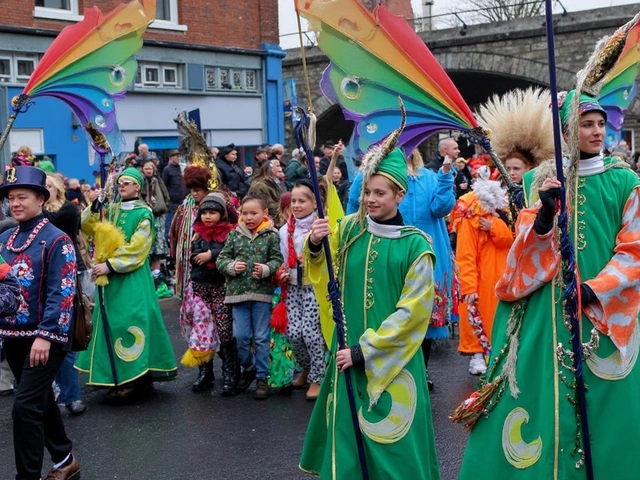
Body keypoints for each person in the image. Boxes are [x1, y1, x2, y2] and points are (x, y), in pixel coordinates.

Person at [458, 87, 640, 478]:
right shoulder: (539, 183)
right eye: (584, 125)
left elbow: (634, 249)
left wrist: (593, 290)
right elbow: (523, 259)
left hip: (605, 315)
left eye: (599, 124)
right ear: (567, 132)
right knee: (540, 399)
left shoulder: (625, 181)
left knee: (607, 408)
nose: (595, 132)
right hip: (547, 315)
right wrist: (543, 218)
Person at [299, 137, 439, 478]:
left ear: (399, 196)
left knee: (395, 448)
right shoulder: (347, 230)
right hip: (346, 354)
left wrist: (365, 351)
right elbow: (319, 266)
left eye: (380, 193)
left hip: (392, 359)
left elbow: (413, 312)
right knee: (349, 444)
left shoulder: (416, 245)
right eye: (367, 192)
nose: (370, 199)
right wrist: (316, 242)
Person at [347, 148, 455, 389]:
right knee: (381, 308)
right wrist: (366, 172)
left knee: (420, 313)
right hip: (381, 247)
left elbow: (441, 207)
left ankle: (419, 368)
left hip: (423, 247)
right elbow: (355, 204)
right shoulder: (371, 177)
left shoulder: (427, 176)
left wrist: (446, 175)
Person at [0, 166, 80, 480]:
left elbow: (63, 292)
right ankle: (65, 459)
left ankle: (27, 476)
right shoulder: (5, 238)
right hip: (13, 336)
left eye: (22, 197)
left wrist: (46, 335)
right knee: (40, 402)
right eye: (11, 198)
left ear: (41, 199)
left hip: (46, 338)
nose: (15, 203)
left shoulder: (56, 239)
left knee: (24, 407)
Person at [75, 167, 178, 402]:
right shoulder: (109, 209)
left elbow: (138, 249)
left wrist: (110, 264)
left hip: (131, 278)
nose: (122, 186)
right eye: (120, 182)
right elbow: (87, 227)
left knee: (131, 321)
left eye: (128, 182)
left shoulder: (144, 213)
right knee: (111, 323)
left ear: (138, 187)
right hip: (109, 280)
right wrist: (95, 205)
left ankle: (135, 378)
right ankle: (116, 376)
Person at [217, 194, 283, 400]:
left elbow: (277, 259)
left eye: (254, 213)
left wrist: (266, 269)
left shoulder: (271, 235)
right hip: (237, 295)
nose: (249, 217)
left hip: (261, 295)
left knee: (262, 338)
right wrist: (231, 267)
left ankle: (262, 377)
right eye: (244, 213)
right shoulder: (234, 235)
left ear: (265, 213)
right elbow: (222, 259)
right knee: (241, 337)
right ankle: (250, 367)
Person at [450, 166, 513, 375]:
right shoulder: (470, 217)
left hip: (500, 276)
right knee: (477, 314)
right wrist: (468, 286)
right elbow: (465, 255)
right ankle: (477, 354)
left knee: (497, 318)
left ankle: (495, 353)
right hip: (481, 278)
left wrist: (494, 226)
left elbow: (509, 239)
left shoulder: (501, 216)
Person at [179, 193, 236, 395]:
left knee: (224, 328)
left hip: (220, 287)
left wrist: (211, 254)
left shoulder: (230, 233)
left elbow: (230, 251)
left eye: (213, 213)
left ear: (221, 214)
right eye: (205, 213)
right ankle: (205, 371)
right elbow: (193, 256)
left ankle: (230, 372)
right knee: (203, 328)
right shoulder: (197, 233)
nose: (208, 217)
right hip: (200, 287)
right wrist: (202, 255)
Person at [278, 180, 327, 400]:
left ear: (315, 203)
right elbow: (281, 260)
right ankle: (306, 367)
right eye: (294, 201)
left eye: (302, 200)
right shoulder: (284, 231)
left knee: (311, 333)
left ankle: (318, 376)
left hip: (314, 288)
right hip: (293, 289)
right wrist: (281, 273)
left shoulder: (320, 227)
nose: (296, 205)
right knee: (293, 333)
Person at [43, 174, 87, 416]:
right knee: (49, 343)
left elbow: (56, 226)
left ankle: (72, 397)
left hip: (67, 274)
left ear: (58, 188)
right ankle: (57, 395)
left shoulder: (68, 209)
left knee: (66, 342)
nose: (45, 190)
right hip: (43, 278)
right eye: (43, 187)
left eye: (49, 186)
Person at [141, 161, 171, 286]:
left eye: (150, 168)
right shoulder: (141, 182)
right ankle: (147, 275)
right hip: (144, 217)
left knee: (158, 247)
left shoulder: (157, 181)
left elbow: (165, 195)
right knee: (147, 245)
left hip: (158, 216)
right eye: (146, 168)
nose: (148, 170)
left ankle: (157, 274)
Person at [247, 159, 284, 227]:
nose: (280, 169)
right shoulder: (260, 186)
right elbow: (262, 206)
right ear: (270, 169)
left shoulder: (276, 183)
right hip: (267, 224)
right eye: (278, 166)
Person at [162, 149, 187, 244]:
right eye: (175, 156)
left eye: (178, 156)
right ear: (171, 158)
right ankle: (169, 242)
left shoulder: (181, 168)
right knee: (170, 223)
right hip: (172, 201)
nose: (178, 158)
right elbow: (164, 185)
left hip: (182, 200)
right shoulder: (167, 169)